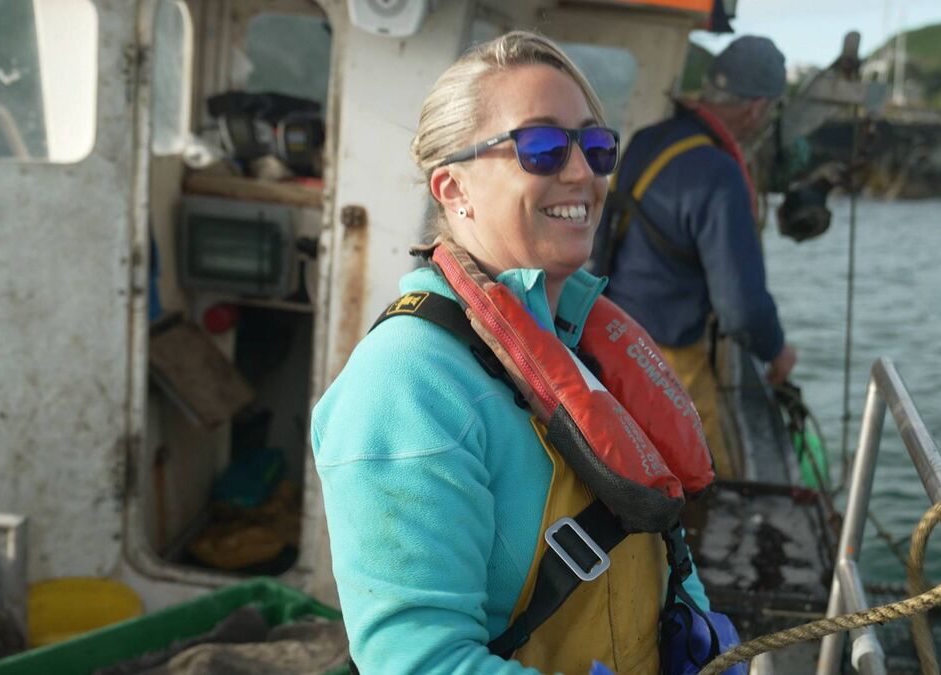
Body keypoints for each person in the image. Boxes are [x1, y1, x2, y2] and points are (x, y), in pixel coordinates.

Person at [312, 32, 734, 674]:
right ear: (453, 190)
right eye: (540, 148)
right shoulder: (405, 387)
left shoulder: (583, 341)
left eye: (595, 148)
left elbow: (658, 535)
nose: (582, 173)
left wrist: (699, 631)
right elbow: (418, 661)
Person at [593, 35, 797, 479]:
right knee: (702, 477)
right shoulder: (719, 173)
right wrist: (777, 351)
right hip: (669, 359)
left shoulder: (648, 141)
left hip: (611, 333)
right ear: (757, 109)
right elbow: (741, 310)